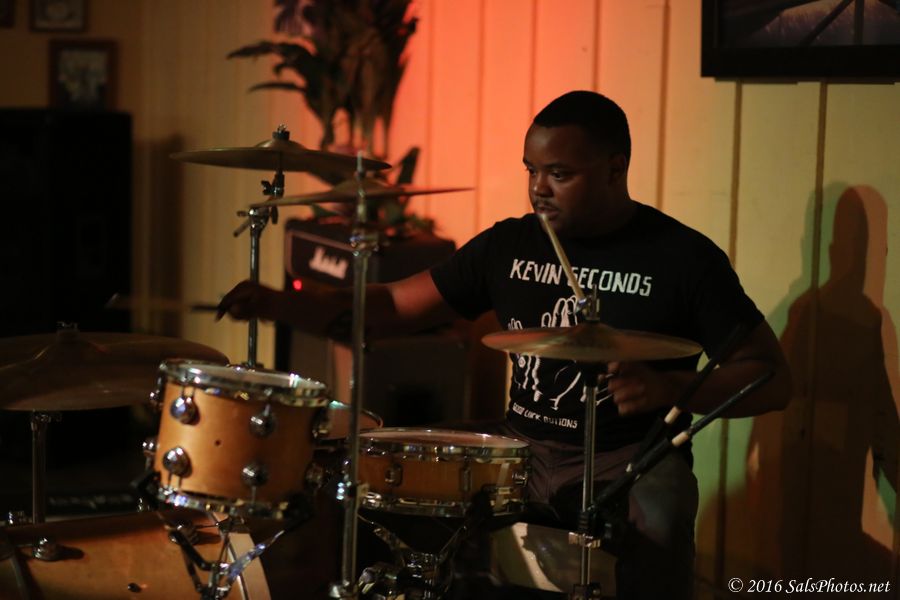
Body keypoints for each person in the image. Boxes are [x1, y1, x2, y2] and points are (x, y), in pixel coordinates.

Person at [218, 90, 791, 599]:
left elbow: (770, 377)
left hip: (629, 459)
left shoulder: (683, 259)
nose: (539, 188)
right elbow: (391, 307)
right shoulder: (510, 245)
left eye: (559, 174)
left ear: (615, 169)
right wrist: (282, 304)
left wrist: (672, 388)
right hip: (520, 450)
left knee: (662, 517)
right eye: (531, 170)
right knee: (379, 483)